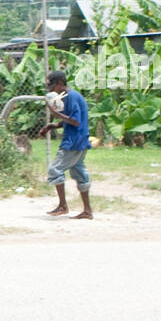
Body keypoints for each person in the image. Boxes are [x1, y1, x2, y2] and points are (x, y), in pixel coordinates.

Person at [41, 71, 93, 219]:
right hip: (80, 139)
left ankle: (63, 206)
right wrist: (54, 125)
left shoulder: (71, 97)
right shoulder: (67, 96)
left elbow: (75, 121)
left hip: (73, 141)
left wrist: (56, 114)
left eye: (51, 85)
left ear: (59, 83)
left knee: (55, 170)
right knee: (79, 173)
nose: (50, 89)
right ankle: (87, 211)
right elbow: (72, 120)